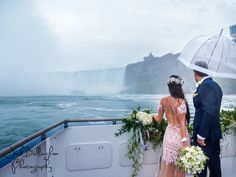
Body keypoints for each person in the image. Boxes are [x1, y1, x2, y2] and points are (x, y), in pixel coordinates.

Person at [153, 75, 190, 177]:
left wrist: (148, 117)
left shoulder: (163, 101)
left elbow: (158, 119)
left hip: (169, 136)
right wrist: (184, 142)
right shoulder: (181, 101)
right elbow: (182, 124)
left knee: (169, 169)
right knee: (181, 168)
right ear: (179, 87)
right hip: (180, 137)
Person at [192, 61, 222, 177]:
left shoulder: (205, 86)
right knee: (215, 168)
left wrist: (201, 135)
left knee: (201, 170)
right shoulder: (215, 85)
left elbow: (208, 111)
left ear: (195, 72)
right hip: (214, 134)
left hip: (205, 137)